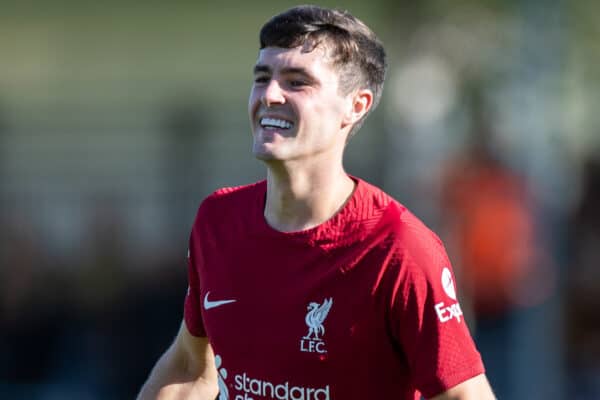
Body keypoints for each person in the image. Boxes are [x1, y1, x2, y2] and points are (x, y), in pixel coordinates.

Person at [137, 5, 495, 400]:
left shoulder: (399, 247)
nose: (270, 95)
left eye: (296, 82)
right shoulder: (217, 222)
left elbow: (463, 394)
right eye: (262, 77)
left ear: (355, 106)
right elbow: (191, 366)